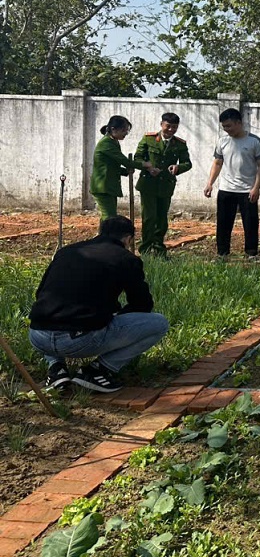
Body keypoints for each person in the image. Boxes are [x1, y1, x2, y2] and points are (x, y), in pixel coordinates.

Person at [28, 216, 168, 393]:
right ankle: (98, 371)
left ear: (100, 232)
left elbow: (40, 294)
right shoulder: (126, 259)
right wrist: (117, 314)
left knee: (54, 313)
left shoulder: (67, 251)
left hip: (38, 335)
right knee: (158, 323)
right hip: (80, 340)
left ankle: (56, 368)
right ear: (128, 239)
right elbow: (142, 305)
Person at [204, 108, 260, 260]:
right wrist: (210, 183)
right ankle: (222, 254)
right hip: (226, 189)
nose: (227, 130)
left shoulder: (254, 141)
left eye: (229, 126)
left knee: (251, 223)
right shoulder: (222, 141)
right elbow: (218, 163)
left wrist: (256, 188)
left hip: (247, 190)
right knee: (223, 223)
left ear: (239, 123)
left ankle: (251, 253)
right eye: (224, 127)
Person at [134, 112, 192, 257]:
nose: (171, 130)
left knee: (161, 218)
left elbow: (187, 163)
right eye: (168, 126)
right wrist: (148, 167)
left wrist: (177, 168)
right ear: (162, 125)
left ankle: (159, 249)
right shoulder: (149, 139)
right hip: (148, 184)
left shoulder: (180, 144)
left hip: (166, 185)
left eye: (174, 127)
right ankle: (146, 249)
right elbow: (138, 157)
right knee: (149, 217)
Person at [90, 115, 148, 224]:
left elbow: (110, 165)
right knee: (110, 218)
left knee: (107, 217)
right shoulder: (106, 143)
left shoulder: (113, 142)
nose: (125, 133)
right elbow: (124, 161)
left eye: (127, 130)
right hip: (102, 186)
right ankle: (108, 239)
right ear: (113, 129)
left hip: (109, 186)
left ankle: (102, 238)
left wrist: (125, 171)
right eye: (123, 130)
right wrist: (145, 165)